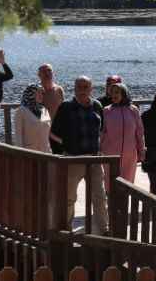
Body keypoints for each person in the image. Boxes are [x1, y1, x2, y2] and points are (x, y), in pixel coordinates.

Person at [49, 76, 109, 235]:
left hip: (95, 160)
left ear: (91, 89)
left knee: (100, 197)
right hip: (73, 159)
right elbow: (53, 135)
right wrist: (62, 153)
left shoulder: (97, 106)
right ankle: (66, 230)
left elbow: (101, 130)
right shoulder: (66, 107)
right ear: (74, 88)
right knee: (69, 198)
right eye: (79, 87)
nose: (82, 90)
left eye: (86, 87)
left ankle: (103, 231)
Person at [101, 83, 145, 187]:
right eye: (112, 92)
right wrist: (99, 149)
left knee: (127, 185)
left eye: (117, 92)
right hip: (110, 155)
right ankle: (110, 202)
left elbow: (139, 132)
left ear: (124, 93)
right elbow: (102, 132)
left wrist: (141, 150)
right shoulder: (106, 111)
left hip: (129, 155)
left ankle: (124, 203)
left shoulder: (133, 110)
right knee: (110, 184)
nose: (114, 95)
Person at [13, 84, 52, 153]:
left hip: (46, 153)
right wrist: (21, 155)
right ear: (31, 94)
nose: (41, 95)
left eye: (42, 93)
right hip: (30, 153)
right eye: (38, 93)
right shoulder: (21, 111)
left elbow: (48, 134)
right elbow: (18, 138)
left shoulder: (45, 110)